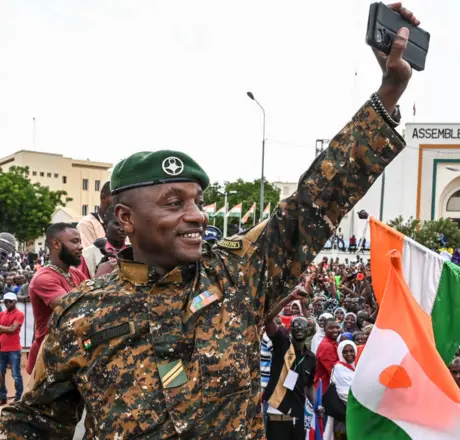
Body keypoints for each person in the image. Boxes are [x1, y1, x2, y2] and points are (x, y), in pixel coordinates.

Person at [0, 11, 417, 433]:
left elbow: (313, 202)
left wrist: (388, 93)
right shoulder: (82, 313)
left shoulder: (237, 276)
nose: (197, 214)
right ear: (126, 218)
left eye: (197, 201)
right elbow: (35, 420)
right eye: (174, 202)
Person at [26, 223, 87, 375]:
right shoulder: (44, 278)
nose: (80, 246)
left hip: (71, 354)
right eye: (74, 242)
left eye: (79, 241)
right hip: (48, 359)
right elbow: (74, 311)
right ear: (56, 244)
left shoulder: (76, 274)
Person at [264, 316, 317, 440]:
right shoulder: (282, 345)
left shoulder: (311, 358)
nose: (299, 327)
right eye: (295, 325)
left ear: (308, 330)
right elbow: (268, 320)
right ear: (290, 329)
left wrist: (317, 405)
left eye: (302, 325)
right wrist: (288, 298)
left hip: (298, 416)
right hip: (277, 413)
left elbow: (309, 387)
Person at [80, 205, 127, 278]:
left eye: (125, 224)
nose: (122, 229)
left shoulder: (134, 251)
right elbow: (81, 286)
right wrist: (100, 274)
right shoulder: (88, 254)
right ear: (105, 223)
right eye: (117, 224)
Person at [324, 340, 357, 440]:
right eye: (345, 352)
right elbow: (344, 394)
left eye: (351, 351)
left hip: (354, 410)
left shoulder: (356, 367)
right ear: (340, 353)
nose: (349, 354)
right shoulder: (339, 368)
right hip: (344, 412)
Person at [0, 292, 24, 404]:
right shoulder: (1, 314)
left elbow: (13, 329)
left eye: (10, 301)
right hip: (1, 349)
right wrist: (7, 328)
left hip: (14, 349)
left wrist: (2, 328)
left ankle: (19, 397)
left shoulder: (19, 314)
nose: (7, 303)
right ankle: (2, 396)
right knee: (0, 374)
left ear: (15, 302)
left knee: (16, 374)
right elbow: (8, 329)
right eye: (5, 301)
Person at [76, 181, 113, 248]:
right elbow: (88, 256)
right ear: (103, 197)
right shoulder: (86, 224)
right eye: (117, 197)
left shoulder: (124, 223)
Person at [315, 319, 341, 394]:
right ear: (324, 330)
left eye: (337, 327)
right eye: (331, 328)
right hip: (324, 388)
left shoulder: (333, 342)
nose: (335, 330)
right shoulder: (326, 346)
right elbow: (333, 371)